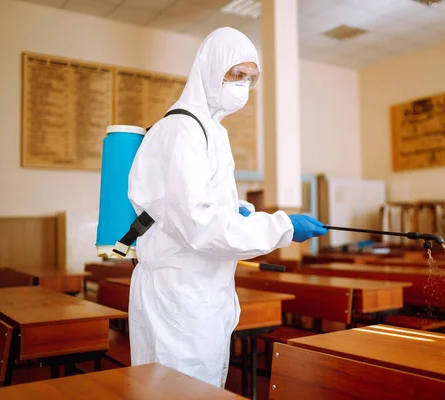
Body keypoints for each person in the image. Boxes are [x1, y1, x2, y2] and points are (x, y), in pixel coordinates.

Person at [126, 27, 327, 389]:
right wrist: (281, 227)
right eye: (237, 75)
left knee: (203, 387)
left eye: (250, 79)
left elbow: (195, 202)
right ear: (210, 69)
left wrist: (238, 211)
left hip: (203, 294)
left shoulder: (211, 129)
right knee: (179, 391)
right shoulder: (182, 131)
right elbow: (199, 223)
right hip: (180, 297)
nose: (243, 87)